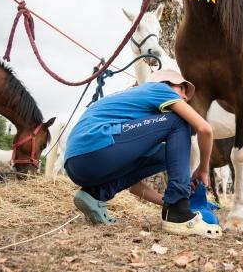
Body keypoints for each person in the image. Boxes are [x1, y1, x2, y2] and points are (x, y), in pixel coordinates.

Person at [64, 69, 218, 237]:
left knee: (164, 154)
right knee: (180, 121)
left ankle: (94, 194)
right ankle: (178, 214)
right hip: (97, 144)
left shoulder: (134, 110)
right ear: (168, 84)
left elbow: (134, 186)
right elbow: (205, 129)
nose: (185, 98)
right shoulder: (160, 89)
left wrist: (167, 202)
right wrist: (203, 169)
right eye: (183, 90)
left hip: (77, 162)